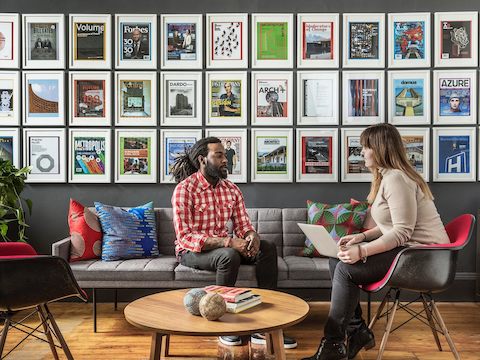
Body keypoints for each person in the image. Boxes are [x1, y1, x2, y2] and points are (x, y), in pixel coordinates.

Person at [303, 123, 449, 360]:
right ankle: (356, 330)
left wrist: (361, 251)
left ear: (380, 148)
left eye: (365, 146)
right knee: (336, 259)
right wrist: (360, 237)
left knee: (344, 269)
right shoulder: (388, 177)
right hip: (409, 252)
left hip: (424, 259)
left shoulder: (397, 179)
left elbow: (402, 231)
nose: (361, 152)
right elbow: (389, 225)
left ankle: (334, 345)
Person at [171, 137, 297, 349]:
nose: (225, 159)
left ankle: (265, 327)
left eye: (224, 155)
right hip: (191, 250)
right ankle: (224, 326)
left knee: (267, 247)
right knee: (227, 255)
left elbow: (243, 225)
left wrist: (251, 236)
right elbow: (185, 236)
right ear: (203, 159)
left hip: (223, 247)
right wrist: (229, 242)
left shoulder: (231, 189)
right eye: (218, 155)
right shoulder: (185, 190)